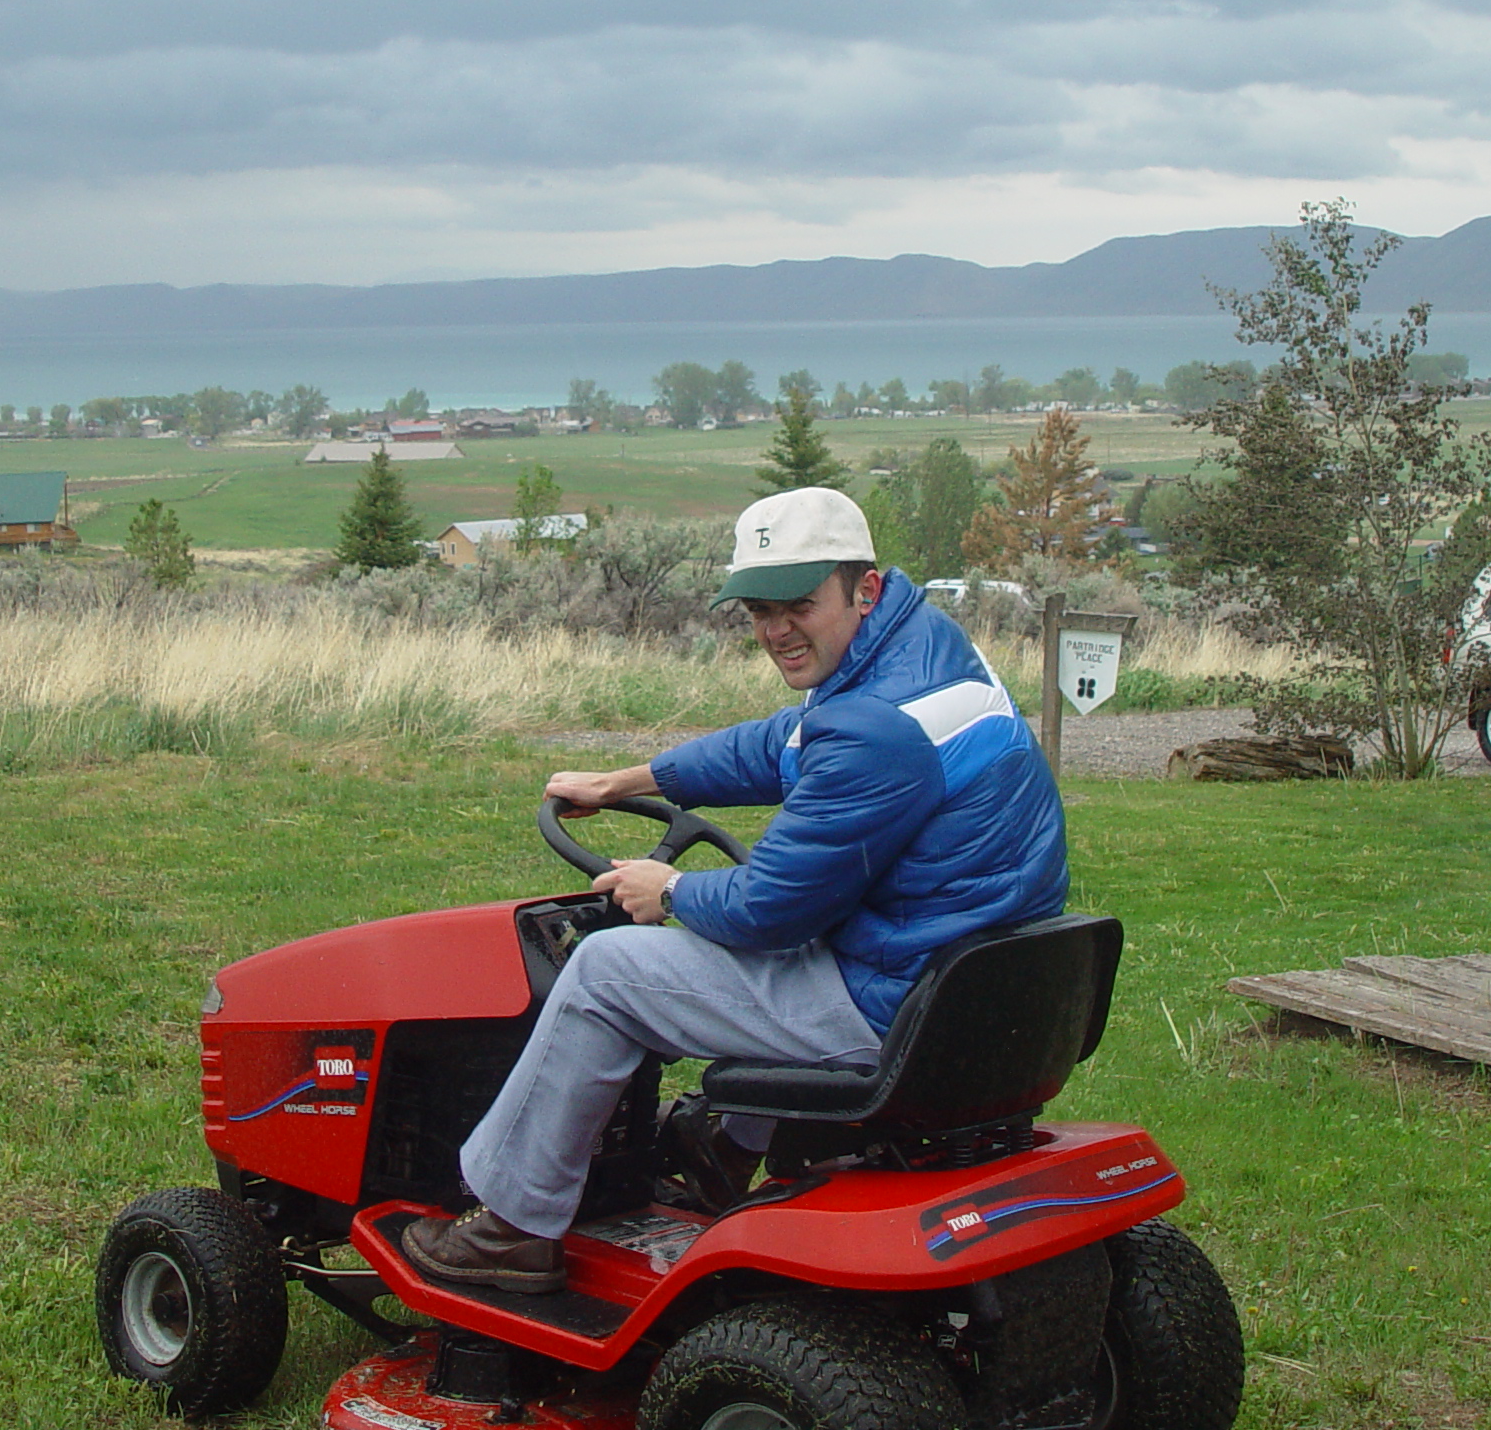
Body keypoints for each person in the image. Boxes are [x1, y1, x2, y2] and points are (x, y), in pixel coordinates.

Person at [402, 485, 1070, 1294]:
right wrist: (629, 779)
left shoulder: (874, 727)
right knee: (793, 931)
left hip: (892, 1004)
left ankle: (514, 1223)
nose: (774, 628)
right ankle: (721, 1154)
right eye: (757, 608)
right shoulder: (917, 648)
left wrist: (672, 891)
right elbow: (781, 745)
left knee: (605, 972)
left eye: (796, 603)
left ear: (861, 587)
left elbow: (766, 909)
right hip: (967, 980)